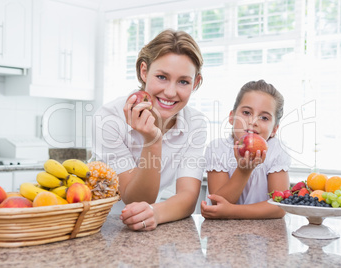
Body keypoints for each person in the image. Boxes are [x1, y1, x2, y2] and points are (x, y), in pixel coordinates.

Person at [92, 29, 207, 231]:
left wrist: (157, 212)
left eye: (183, 81)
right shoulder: (108, 118)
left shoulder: (195, 123)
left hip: (150, 225)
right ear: (144, 72)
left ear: (195, 82)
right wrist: (153, 140)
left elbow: (188, 197)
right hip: (103, 226)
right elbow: (134, 198)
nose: (170, 92)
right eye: (162, 77)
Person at [201, 80, 290, 219]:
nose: (253, 121)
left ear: (274, 129)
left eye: (264, 117)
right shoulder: (217, 149)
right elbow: (217, 201)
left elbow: (280, 206)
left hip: (266, 233)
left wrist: (232, 211)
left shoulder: (276, 150)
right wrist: (244, 171)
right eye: (247, 112)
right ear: (231, 117)